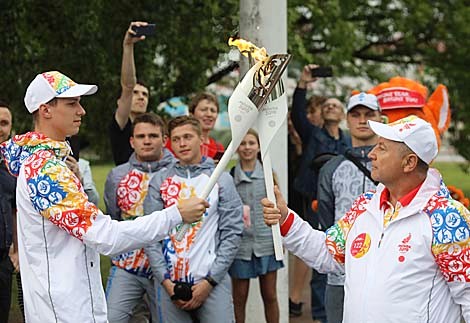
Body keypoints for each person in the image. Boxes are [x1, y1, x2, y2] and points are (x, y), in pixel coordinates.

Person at [0, 71, 209, 323]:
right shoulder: (46, 171)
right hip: (63, 312)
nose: (81, 111)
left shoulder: (49, 162)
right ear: (46, 110)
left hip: (68, 305)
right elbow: (106, 236)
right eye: (71, 103)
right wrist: (175, 215)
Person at [263, 115, 470, 323]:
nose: (371, 154)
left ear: (409, 162)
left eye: (382, 148)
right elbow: (328, 253)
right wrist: (285, 220)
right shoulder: (365, 206)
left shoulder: (447, 219)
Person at [144, 115, 243, 323]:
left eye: (188, 137)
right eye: (177, 139)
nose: (182, 144)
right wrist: (165, 281)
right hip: (169, 283)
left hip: (212, 281)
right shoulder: (160, 181)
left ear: (201, 139)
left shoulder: (221, 179)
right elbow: (151, 236)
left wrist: (210, 281)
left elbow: (232, 233)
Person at [290, 64, 351, 321]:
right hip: (317, 203)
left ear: (343, 114)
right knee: (321, 256)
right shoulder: (313, 134)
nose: (330, 108)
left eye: (335, 106)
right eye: (326, 106)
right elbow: (297, 114)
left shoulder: (348, 141)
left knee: (345, 258)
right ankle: (319, 313)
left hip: (346, 207)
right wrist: (303, 84)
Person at [316, 92, 382, 323]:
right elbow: (325, 219)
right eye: (356, 115)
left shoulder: (394, 166)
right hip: (340, 276)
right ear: (347, 119)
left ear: (380, 119)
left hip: (385, 274)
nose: (362, 120)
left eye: (369, 114)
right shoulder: (331, 168)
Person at [104, 112, 175, 322]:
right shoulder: (117, 176)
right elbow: (114, 216)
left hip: (168, 268)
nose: (146, 141)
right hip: (128, 266)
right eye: (141, 136)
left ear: (164, 140)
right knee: (110, 318)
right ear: (132, 141)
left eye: (153, 136)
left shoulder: (178, 172)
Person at [229, 129, 283, 323]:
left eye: (251, 143)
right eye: (242, 143)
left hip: (266, 242)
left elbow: (279, 208)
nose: (247, 147)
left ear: (259, 146)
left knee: (270, 295)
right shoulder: (231, 175)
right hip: (241, 246)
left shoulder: (269, 174)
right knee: (239, 297)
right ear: (236, 148)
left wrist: (280, 240)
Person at [110, 21, 151, 165]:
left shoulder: (154, 125)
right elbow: (128, 85)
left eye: (145, 94)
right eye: (136, 93)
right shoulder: (121, 124)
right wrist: (128, 46)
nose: (141, 97)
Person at [0, 101, 16, 323]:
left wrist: (16, 252)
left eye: (4, 123)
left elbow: (15, 211)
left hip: (3, 260)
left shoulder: (12, 168)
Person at [188, 92, 225, 160]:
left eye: (213, 111)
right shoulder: (179, 143)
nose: (209, 114)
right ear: (191, 115)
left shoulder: (219, 149)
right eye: (203, 110)